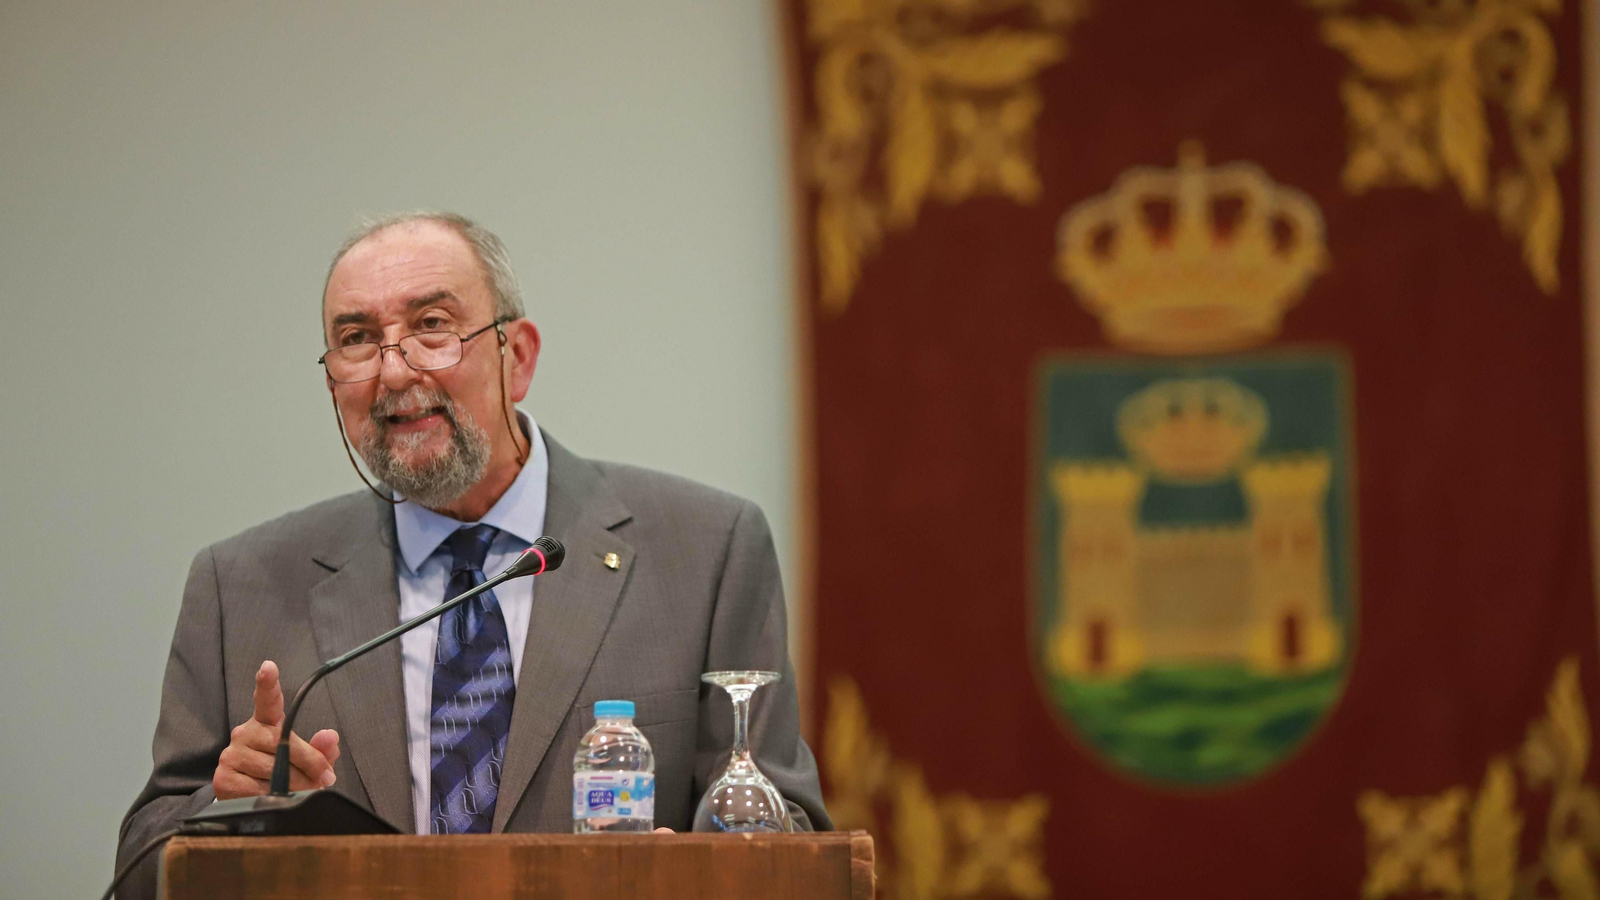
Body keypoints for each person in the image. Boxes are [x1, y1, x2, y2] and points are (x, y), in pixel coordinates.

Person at [115, 212, 829, 896]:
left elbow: (793, 840)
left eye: (432, 327)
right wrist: (223, 811)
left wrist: (706, 875)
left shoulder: (704, 552)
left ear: (515, 358)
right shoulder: (239, 587)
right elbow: (141, 863)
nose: (394, 373)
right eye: (358, 338)